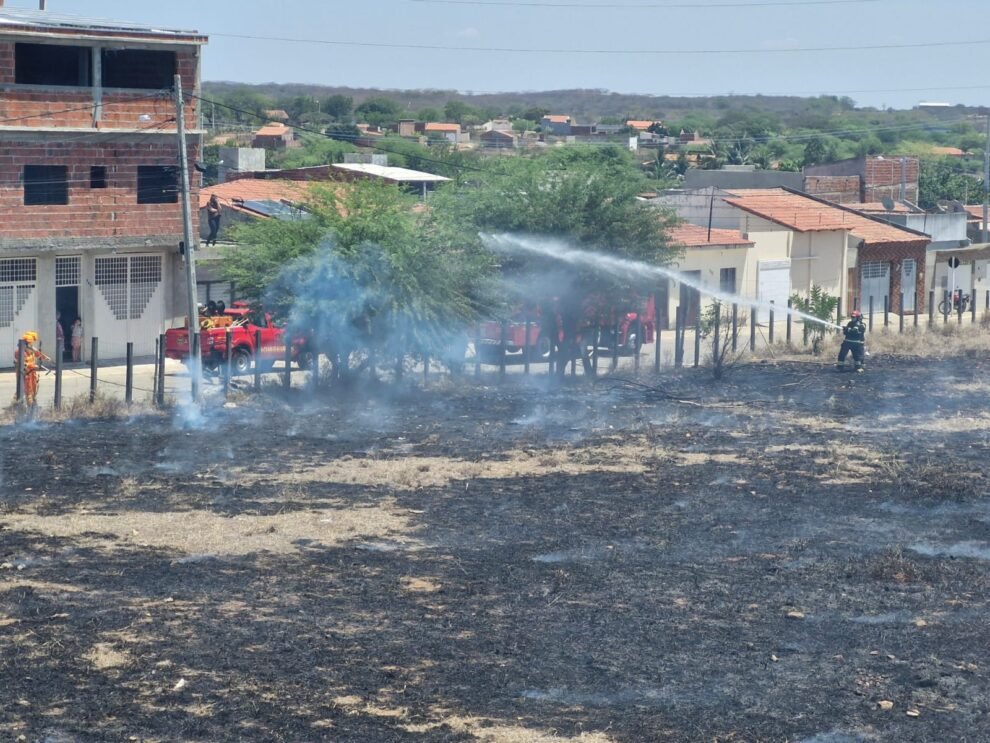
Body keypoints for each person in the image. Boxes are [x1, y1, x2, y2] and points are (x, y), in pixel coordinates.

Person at [14, 331, 50, 407]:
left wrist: (45, 357)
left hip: (32, 374)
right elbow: (24, 364)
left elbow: (38, 354)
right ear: (27, 343)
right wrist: (34, 366)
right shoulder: (20, 352)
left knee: (34, 390)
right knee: (27, 391)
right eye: (31, 343)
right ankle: (25, 406)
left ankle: (33, 403)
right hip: (25, 374)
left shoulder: (31, 349)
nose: (32, 345)